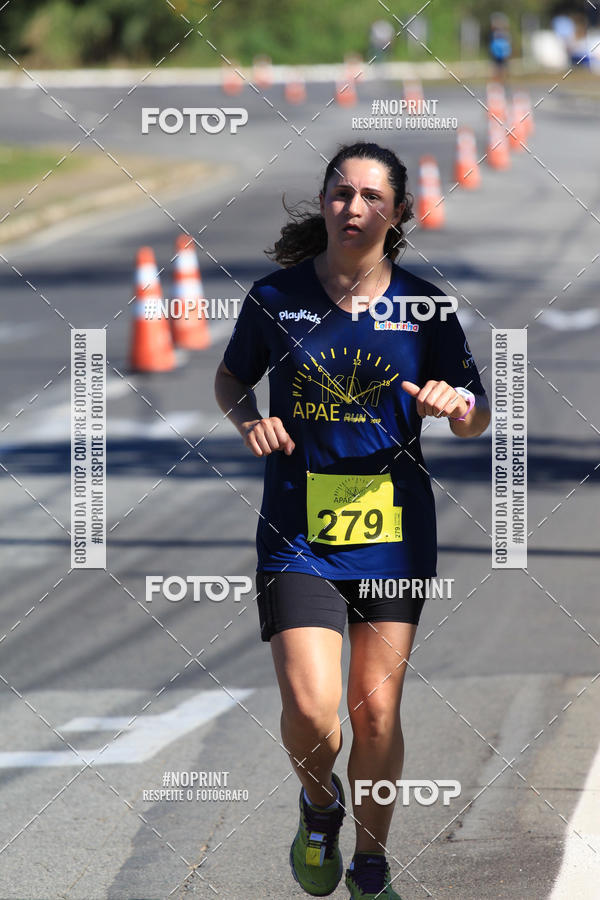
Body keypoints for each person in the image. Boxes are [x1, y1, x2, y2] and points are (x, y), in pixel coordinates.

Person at [214, 141, 490, 900]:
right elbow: (232, 377)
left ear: (397, 214)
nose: (354, 208)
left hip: (393, 534)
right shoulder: (276, 298)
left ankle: (370, 866)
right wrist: (248, 421)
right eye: (341, 193)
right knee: (312, 712)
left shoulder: (426, 307)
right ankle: (318, 803)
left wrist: (457, 405)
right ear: (324, 202)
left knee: (374, 715)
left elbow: (477, 414)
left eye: (372, 197)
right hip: (297, 531)